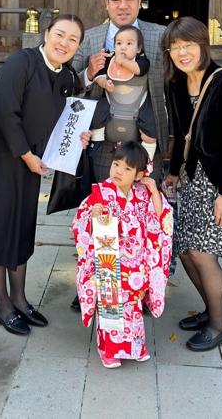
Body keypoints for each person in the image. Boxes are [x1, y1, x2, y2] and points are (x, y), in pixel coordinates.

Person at [0, 14, 88, 335]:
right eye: (59, 34)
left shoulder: (66, 76)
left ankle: (20, 299)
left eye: (72, 39)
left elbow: (66, 120)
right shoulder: (21, 62)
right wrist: (27, 155)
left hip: (31, 164)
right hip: (1, 158)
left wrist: (76, 138)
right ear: (46, 34)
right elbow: (4, 112)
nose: (64, 43)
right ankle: (3, 302)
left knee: (22, 228)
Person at [162, 16, 222, 352]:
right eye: (175, 48)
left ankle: (219, 325)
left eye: (188, 45)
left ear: (203, 45)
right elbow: (181, 133)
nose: (182, 53)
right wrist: (173, 172)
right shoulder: (175, 83)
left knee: (203, 253)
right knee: (187, 250)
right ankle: (211, 310)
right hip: (194, 174)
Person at [72, 142, 172, 369]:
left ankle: (135, 347)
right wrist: (92, 215)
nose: (118, 171)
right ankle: (109, 350)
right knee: (110, 306)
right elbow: (80, 222)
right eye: (116, 164)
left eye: (127, 169)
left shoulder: (143, 194)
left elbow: (161, 217)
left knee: (133, 307)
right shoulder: (101, 192)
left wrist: (155, 191)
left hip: (136, 265)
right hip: (109, 260)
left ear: (139, 174)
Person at [72, 0, 169, 183]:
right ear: (106, 3)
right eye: (116, 0)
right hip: (102, 144)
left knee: (144, 207)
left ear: (139, 1)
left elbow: (173, 86)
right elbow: (69, 85)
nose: (122, 6)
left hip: (147, 140)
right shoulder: (88, 38)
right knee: (104, 208)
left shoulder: (161, 36)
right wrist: (89, 73)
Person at [90, 24, 157, 163]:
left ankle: (148, 156)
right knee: (98, 110)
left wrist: (124, 62)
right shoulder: (111, 60)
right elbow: (99, 75)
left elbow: (140, 70)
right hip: (112, 99)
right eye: (119, 43)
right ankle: (96, 139)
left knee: (150, 123)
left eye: (129, 43)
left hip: (139, 102)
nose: (123, 47)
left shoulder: (141, 60)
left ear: (138, 48)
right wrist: (104, 83)